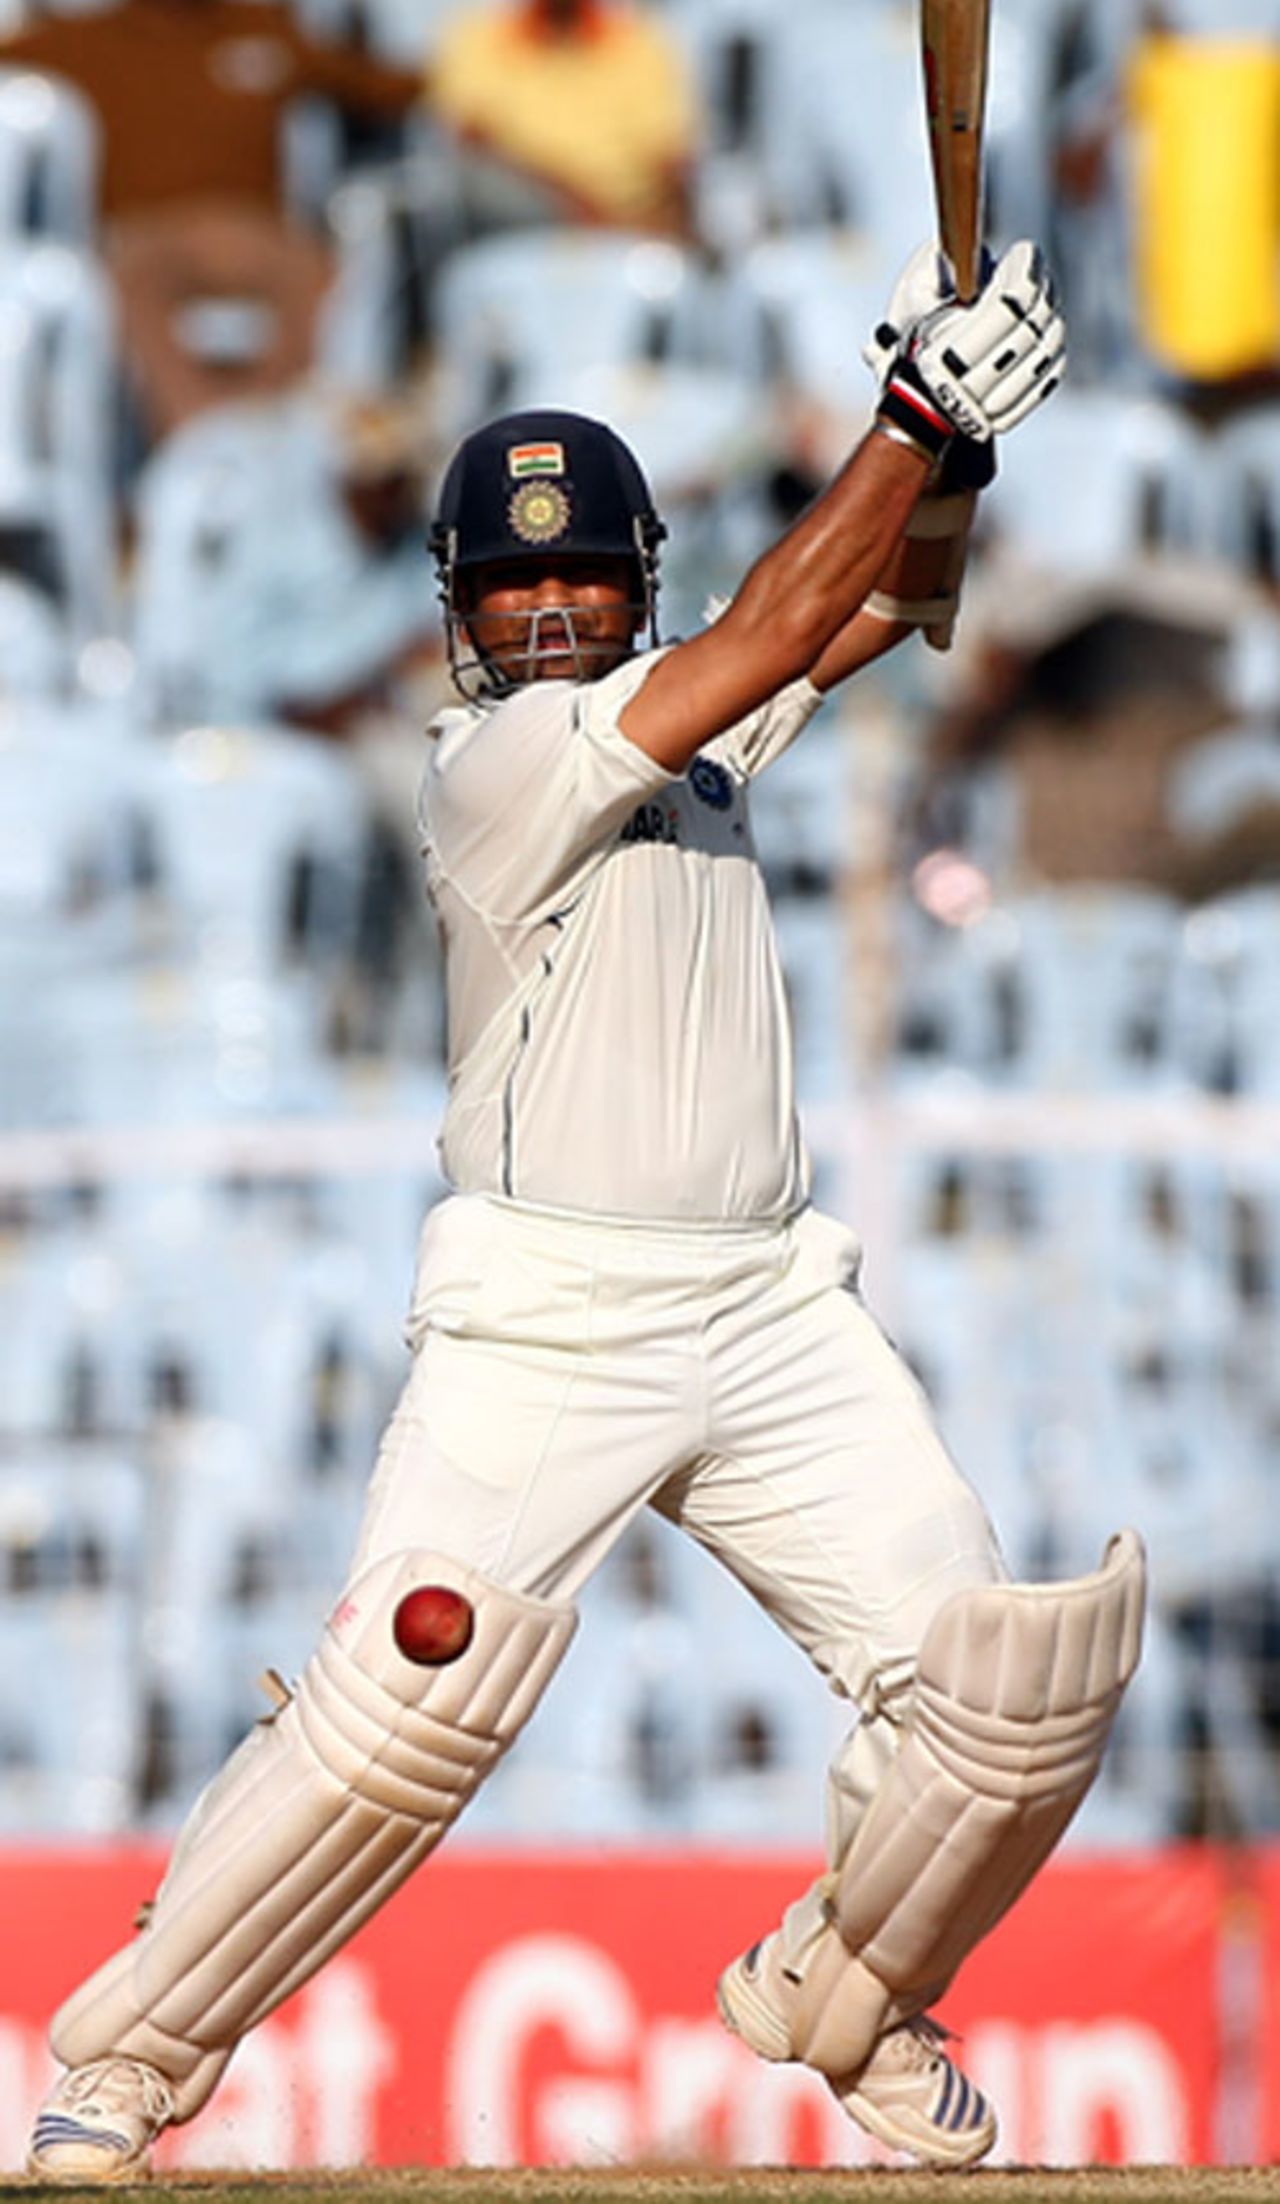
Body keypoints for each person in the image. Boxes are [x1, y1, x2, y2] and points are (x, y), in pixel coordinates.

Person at [26, 236, 1145, 2183]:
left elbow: (873, 601)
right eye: (513, 582)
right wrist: (912, 415)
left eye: (582, 576)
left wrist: (944, 456)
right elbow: (776, 618)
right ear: (464, 620)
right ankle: (114, 2072)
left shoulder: (698, 712)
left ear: (633, 583)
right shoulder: (500, 762)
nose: (550, 608)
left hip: (774, 1311)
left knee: (1001, 1692)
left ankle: (852, 1998)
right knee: (405, 1702)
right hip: (549, 1314)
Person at [0, 0, 419, 435]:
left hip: (253, 229)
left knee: (321, 275)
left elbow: (371, 83)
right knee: (127, 289)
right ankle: (196, 438)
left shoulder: (261, 22)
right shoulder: (84, 37)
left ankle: (272, 432)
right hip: (146, 232)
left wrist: (476, 77)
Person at [427, 0, 701, 240]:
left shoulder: (642, 38)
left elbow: (671, 157)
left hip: (628, 224)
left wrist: (663, 218)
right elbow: (474, 145)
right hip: (523, 224)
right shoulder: (476, 35)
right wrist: (573, 205)